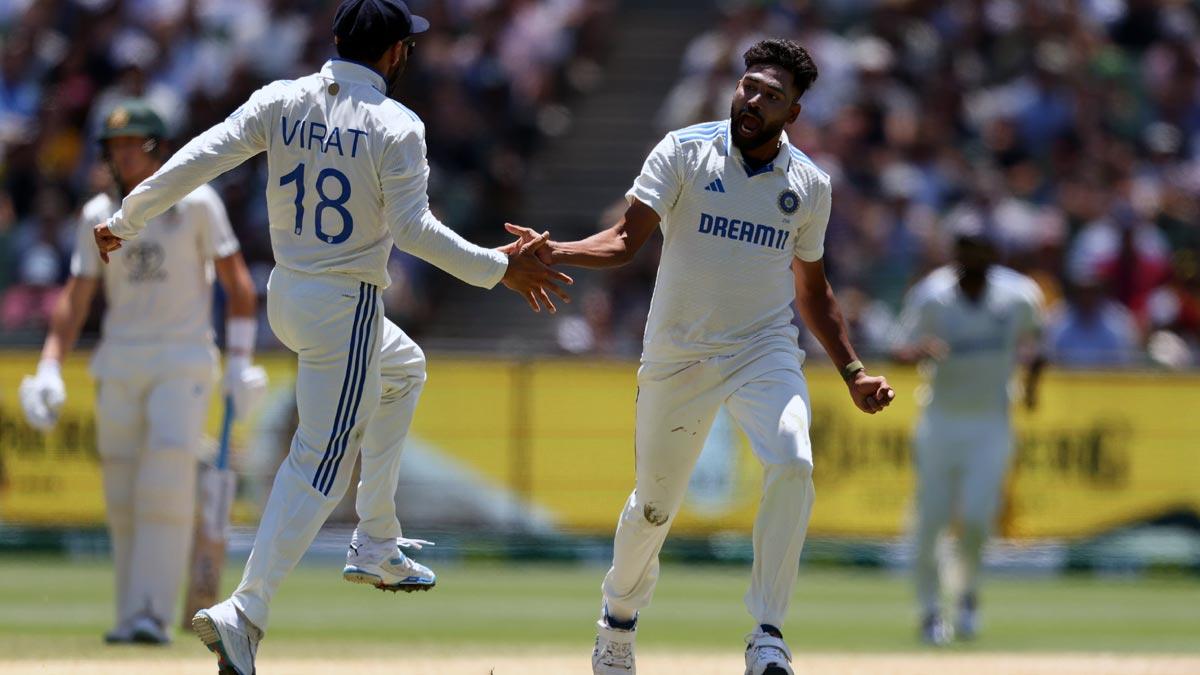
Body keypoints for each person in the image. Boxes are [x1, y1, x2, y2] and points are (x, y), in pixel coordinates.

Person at [91, 1, 571, 673]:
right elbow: (413, 231)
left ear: (338, 38)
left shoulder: (282, 98)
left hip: (289, 292)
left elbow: (204, 154)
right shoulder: (397, 124)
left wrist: (128, 213)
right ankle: (245, 609)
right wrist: (500, 268)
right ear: (397, 52)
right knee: (318, 461)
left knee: (404, 367)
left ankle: (376, 536)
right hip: (345, 303)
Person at [508, 39, 894, 675]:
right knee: (654, 507)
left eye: (773, 96)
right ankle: (618, 623)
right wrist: (556, 253)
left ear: (793, 115)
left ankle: (767, 632)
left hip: (763, 348)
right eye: (749, 87)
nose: (754, 101)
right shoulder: (684, 150)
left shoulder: (810, 186)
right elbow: (624, 241)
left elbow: (814, 289)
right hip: (679, 352)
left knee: (795, 460)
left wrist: (852, 371)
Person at [19, 99, 265, 645]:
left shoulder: (197, 201)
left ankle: (153, 613)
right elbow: (76, 297)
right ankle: (131, 616)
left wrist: (242, 364)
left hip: (182, 359)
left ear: (158, 149)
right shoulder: (95, 215)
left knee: (164, 486)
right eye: (117, 147)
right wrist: (50, 365)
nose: (125, 156)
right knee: (123, 494)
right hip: (120, 360)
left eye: (135, 145)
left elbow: (239, 287)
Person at [891, 225, 1046, 645]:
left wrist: (1030, 386)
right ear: (955, 254)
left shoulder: (1018, 296)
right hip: (941, 420)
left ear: (993, 254)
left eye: (980, 252)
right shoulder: (932, 296)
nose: (973, 262)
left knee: (978, 519)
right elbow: (898, 348)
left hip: (992, 421)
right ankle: (928, 611)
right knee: (932, 521)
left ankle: (967, 596)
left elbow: (1035, 343)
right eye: (966, 252)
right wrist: (918, 351)